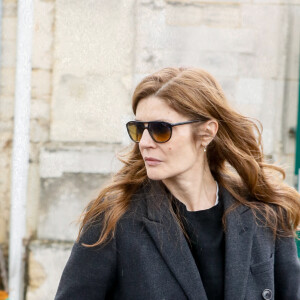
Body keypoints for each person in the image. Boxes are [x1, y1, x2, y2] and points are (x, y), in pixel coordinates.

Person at [54, 67, 300, 300]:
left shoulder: (265, 215)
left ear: (206, 133)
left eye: (161, 130)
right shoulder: (116, 218)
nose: (145, 143)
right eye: (139, 129)